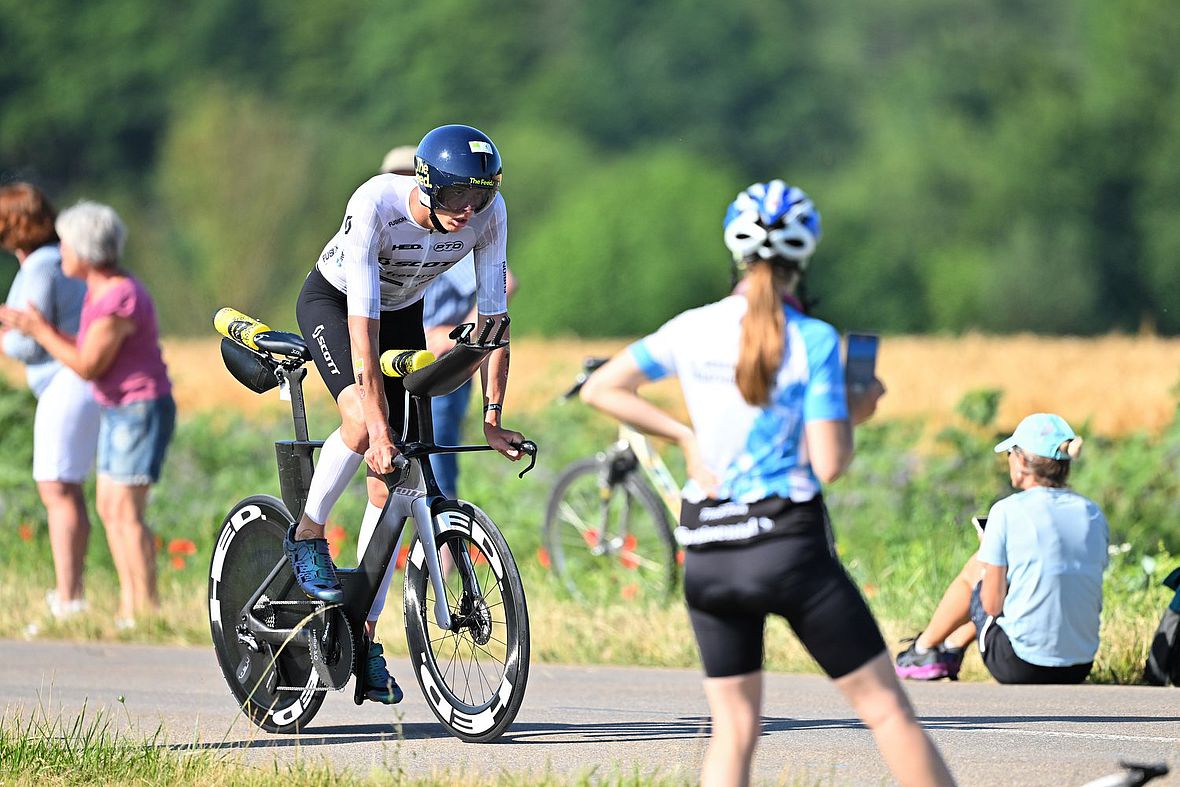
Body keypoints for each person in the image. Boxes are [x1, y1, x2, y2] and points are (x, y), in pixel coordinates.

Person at [580, 180, 955, 787]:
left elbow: (602, 387)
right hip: (788, 547)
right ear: (802, 259)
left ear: (736, 252)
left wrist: (684, 436)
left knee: (733, 732)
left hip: (708, 551)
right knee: (886, 711)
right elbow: (828, 463)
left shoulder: (690, 328)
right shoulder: (813, 341)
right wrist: (855, 413)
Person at [289, 124, 524, 705]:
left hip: (402, 311)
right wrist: (378, 426)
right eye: (455, 198)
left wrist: (492, 418)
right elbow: (362, 341)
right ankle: (308, 532)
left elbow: (495, 328)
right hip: (338, 302)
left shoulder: (488, 217)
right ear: (425, 185)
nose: (469, 212)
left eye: (481, 196)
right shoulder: (375, 204)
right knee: (367, 427)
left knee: (387, 488)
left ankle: (361, 632)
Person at [0, 200, 175, 629]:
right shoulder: (103, 291)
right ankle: (130, 608)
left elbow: (86, 365)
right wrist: (35, 328)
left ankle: (144, 610)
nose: (59, 253)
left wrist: (39, 330)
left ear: (84, 251)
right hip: (123, 408)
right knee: (110, 507)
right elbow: (85, 349)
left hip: (140, 408)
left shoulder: (119, 298)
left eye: (65, 245)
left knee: (125, 511)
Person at [895, 413, 1108, 684]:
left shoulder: (1007, 511)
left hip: (1017, 664)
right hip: (1079, 665)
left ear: (1020, 461)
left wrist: (991, 557)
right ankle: (949, 648)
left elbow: (992, 605)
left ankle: (922, 650)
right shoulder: (1093, 513)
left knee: (977, 568)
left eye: (1009, 453)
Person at [380, 146, 519, 499]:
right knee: (391, 470)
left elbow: (504, 284)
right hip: (398, 354)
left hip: (439, 365)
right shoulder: (391, 227)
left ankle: (444, 551)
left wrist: (460, 334)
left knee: (435, 477)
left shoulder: (447, 235)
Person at [0, 183, 100, 622]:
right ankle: (70, 594)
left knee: (57, 487)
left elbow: (31, 340)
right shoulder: (55, 261)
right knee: (66, 487)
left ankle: (68, 598)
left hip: (64, 383)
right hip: (75, 382)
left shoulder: (39, 266)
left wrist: (5, 340)